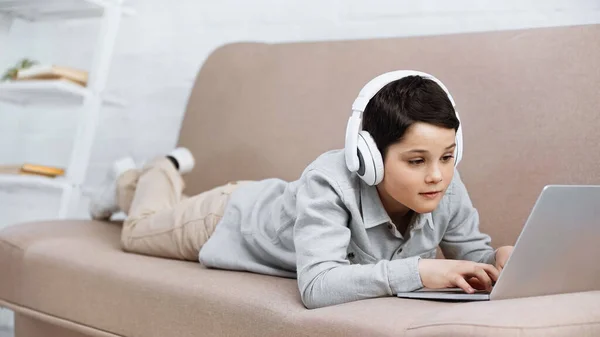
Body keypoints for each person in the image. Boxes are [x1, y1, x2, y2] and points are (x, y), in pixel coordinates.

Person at [90, 70, 514, 309]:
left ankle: (136, 182)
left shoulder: (446, 185)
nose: (437, 176)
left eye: (447, 156)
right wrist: (420, 272)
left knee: (149, 216)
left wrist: (504, 259)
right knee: (136, 230)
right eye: (416, 161)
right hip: (227, 218)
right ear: (367, 155)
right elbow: (317, 287)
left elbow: (472, 258)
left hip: (258, 212)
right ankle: (154, 170)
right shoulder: (328, 181)